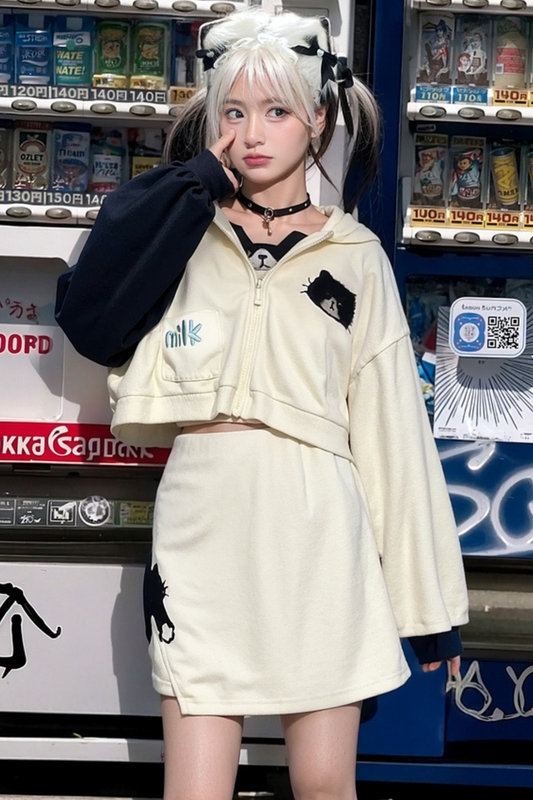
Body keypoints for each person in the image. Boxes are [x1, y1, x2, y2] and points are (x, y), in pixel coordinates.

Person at [55, 9, 469, 800]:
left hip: (319, 532)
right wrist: (195, 186)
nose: (252, 134)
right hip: (201, 527)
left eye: (277, 110)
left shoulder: (355, 255)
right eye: (234, 111)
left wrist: (429, 607)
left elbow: (392, 432)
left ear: (318, 118)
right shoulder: (178, 230)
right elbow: (90, 319)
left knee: (322, 783)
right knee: (193, 790)